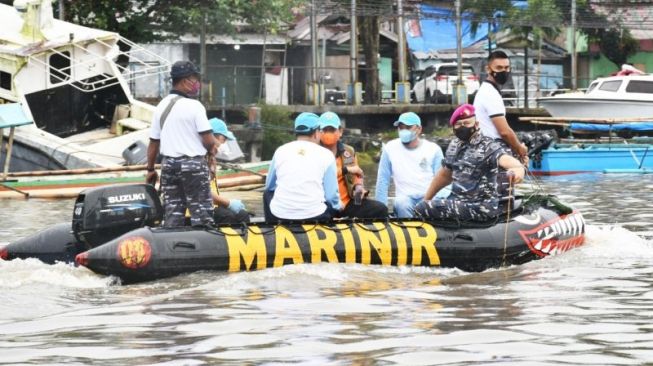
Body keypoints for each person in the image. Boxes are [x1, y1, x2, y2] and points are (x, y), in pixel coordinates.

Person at [415, 104, 525, 221]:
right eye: (458, 124)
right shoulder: (454, 146)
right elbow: (444, 175)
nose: (462, 127)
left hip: (480, 207)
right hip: (457, 202)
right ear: (453, 128)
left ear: (476, 125)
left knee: (423, 208)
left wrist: (518, 171)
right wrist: (427, 198)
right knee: (421, 206)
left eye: (467, 123)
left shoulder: (488, 146)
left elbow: (512, 163)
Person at [146, 60, 216, 228]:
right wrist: (212, 153)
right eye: (195, 80)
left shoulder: (161, 106)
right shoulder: (195, 106)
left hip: (169, 165)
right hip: (192, 165)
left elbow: (153, 143)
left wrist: (150, 169)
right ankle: (204, 246)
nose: (197, 84)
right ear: (185, 81)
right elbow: (208, 140)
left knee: (173, 212)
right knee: (201, 212)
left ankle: (172, 246)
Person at [263, 112, 342, 222]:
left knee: (266, 194)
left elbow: (269, 187)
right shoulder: (327, 155)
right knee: (333, 205)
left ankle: (270, 229)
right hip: (315, 216)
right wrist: (339, 209)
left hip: (279, 215)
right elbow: (331, 197)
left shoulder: (280, 150)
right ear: (316, 133)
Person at [318, 111, 388, 219]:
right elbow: (319, 175)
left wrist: (358, 186)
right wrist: (345, 170)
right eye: (325, 130)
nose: (328, 133)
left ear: (340, 131)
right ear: (318, 132)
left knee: (380, 209)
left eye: (331, 130)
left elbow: (357, 173)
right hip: (323, 205)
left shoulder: (348, 152)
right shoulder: (314, 152)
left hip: (347, 203)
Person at [375, 111, 444, 218]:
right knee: (403, 204)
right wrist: (380, 210)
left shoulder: (434, 149)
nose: (403, 130)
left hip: (429, 196)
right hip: (404, 198)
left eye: (408, 127)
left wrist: (437, 199)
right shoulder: (390, 148)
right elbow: (382, 180)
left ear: (419, 129)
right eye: (401, 127)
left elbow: (443, 179)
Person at [474, 50, 529, 165]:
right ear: (488, 69)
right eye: (499, 68)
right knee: (517, 172)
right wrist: (520, 149)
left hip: (488, 150)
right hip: (492, 151)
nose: (504, 71)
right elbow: (504, 132)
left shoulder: (488, 90)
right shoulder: (490, 93)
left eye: (507, 68)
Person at [207, 117, 250, 224]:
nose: (224, 143)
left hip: (212, 206)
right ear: (213, 137)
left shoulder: (211, 159)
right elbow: (202, 192)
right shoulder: (200, 158)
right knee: (227, 216)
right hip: (199, 210)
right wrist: (228, 203)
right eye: (224, 139)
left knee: (243, 214)